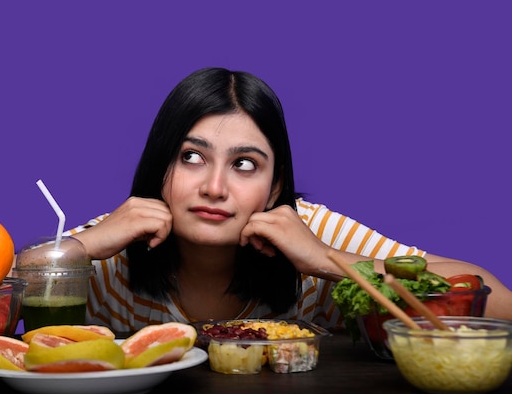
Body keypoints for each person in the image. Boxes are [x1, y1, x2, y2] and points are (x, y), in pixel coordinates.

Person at [67, 67, 512, 333]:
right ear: (158, 167)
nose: (215, 188)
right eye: (191, 157)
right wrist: (78, 250)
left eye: (244, 164)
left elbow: (499, 307)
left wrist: (326, 259)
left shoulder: (312, 233)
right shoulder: (112, 243)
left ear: (276, 187)